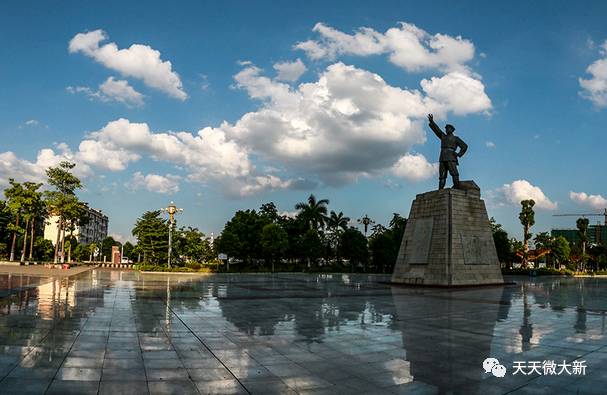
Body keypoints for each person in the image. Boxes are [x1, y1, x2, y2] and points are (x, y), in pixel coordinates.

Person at [428, 114, 468, 189]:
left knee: (454, 174)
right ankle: (440, 190)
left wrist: (459, 154)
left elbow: (464, 146)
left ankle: (456, 189)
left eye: (448, 128)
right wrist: (432, 122)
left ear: (452, 130)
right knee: (442, 176)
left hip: (451, 157)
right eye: (446, 129)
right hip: (442, 157)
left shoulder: (456, 138)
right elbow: (437, 130)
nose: (446, 130)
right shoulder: (443, 136)